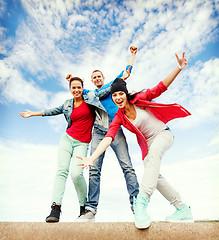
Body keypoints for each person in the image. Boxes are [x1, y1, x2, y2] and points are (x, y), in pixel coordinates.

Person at [77, 52, 194, 229]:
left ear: (125, 94)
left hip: (163, 134)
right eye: (114, 95)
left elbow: (160, 88)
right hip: (148, 144)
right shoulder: (119, 116)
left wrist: (179, 67)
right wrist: (92, 158)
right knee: (154, 175)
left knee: (152, 159)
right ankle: (182, 208)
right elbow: (108, 138)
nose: (117, 98)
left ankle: (141, 203)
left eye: (120, 94)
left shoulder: (139, 99)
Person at [68, 46, 140, 222]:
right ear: (92, 81)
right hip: (99, 132)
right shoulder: (90, 93)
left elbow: (126, 72)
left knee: (127, 166)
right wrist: (70, 80)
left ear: (103, 77)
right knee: (93, 170)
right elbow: (76, 91)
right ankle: (90, 209)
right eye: (94, 78)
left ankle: (137, 204)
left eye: (99, 76)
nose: (97, 78)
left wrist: (132, 55)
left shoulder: (112, 85)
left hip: (116, 130)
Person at [19, 77, 98, 222]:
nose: (76, 90)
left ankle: (83, 208)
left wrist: (121, 79)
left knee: (76, 174)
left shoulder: (90, 101)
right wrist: (33, 113)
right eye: (73, 87)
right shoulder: (68, 104)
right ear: (70, 89)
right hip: (67, 139)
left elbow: (105, 91)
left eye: (78, 87)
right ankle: (55, 208)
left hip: (82, 143)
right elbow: (51, 111)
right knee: (61, 171)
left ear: (82, 88)